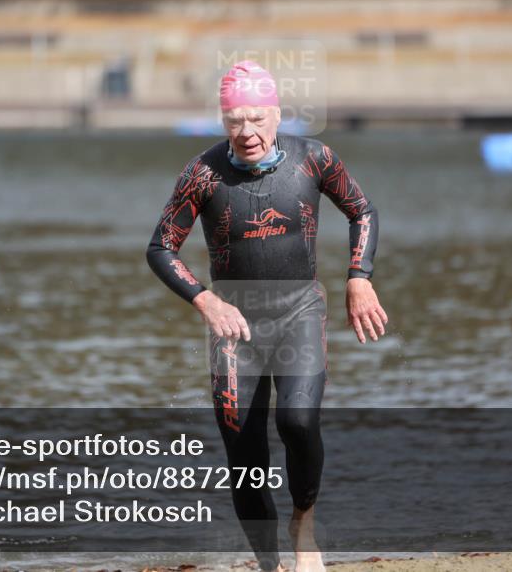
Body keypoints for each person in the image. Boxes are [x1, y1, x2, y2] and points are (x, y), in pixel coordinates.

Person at [146, 60, 387, 572]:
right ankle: (268, 564)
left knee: (298, 422)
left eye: (257, 119)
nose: (248, 132)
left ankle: (304, 524)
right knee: (245, 456)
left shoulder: (314, 159)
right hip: (235, 327)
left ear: (277, 115)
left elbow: (362, 210)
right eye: (236, 121)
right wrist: (205, 301)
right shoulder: (203, 174)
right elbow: (161, 249)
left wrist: (358, 276)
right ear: (223, 121)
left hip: (299, 309)